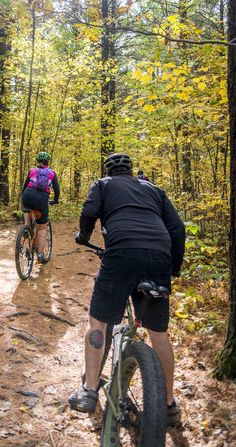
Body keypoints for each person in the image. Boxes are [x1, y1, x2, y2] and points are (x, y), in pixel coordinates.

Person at [68, 153, 185, 425]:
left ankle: (88, 391)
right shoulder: (154, 189)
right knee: (158, 334)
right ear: (132, 171)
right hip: (159, 259)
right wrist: (173, 268)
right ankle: (168, 406)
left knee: (98, 320)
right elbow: (177, 229)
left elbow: (88, 212)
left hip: (121, 254)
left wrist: (84, 236)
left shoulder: (103, 184)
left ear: (108, 170)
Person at [22, 151, 60, 264]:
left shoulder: (32, 171)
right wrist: (56, 200)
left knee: (29, 211)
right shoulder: (52, 172)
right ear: (47, 162)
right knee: (42, 227)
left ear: (37, 161)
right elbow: (57, 189)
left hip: (27, 195)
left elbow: (25, 187)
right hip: (41, 198)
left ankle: (26, 228)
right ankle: (40, 254)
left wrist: (25, 199)